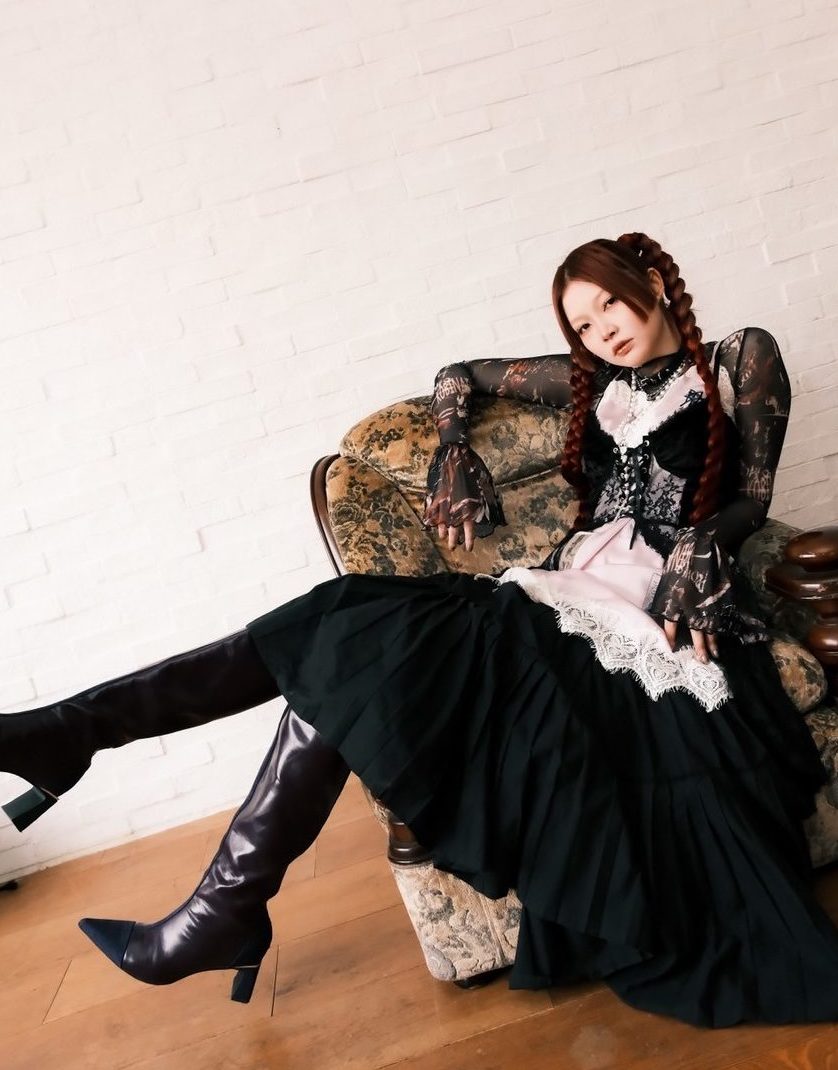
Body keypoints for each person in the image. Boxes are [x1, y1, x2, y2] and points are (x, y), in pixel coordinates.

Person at [2, 231, 836, 1029]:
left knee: (351, 646)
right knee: (350, 623)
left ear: (651, 284)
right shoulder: (595, 384)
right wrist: (451, 448)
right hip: (567, 586)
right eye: (582, 325)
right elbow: (458, 374)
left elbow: (754, 494)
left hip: (657, 608)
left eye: (609, 306)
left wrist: (704, 541)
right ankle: (127, 792)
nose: (601, 333)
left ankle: (139, 815)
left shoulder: (737, 359)